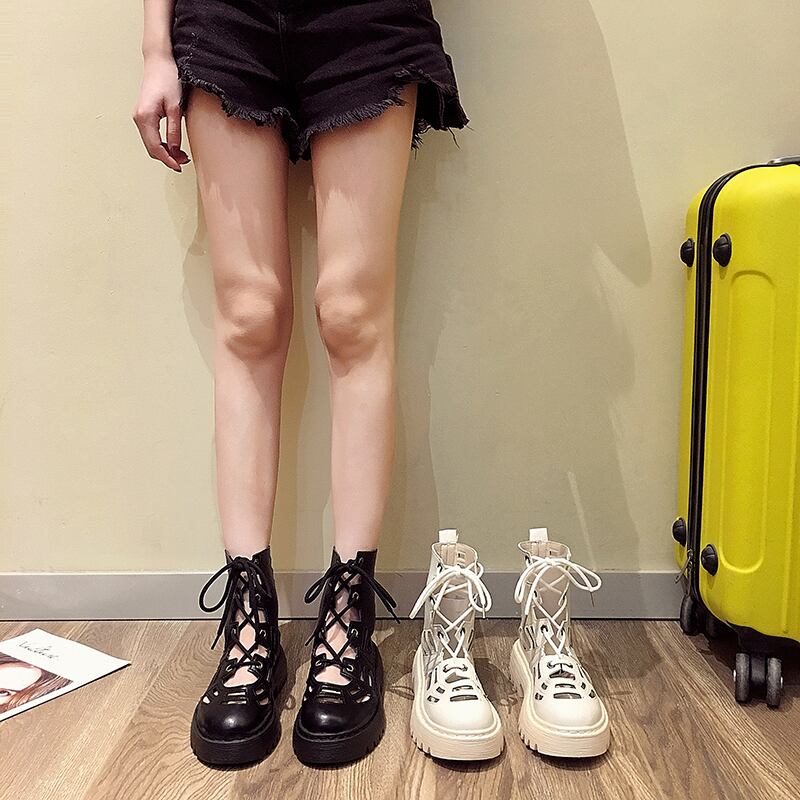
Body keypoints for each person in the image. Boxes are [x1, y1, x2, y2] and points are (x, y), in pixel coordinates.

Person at [133, 0, 468, 767]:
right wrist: (155, 48)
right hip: (226, 16)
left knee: (352, 314)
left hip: (365, 17)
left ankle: (348, 618)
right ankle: (250, 625)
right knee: (249, 315)